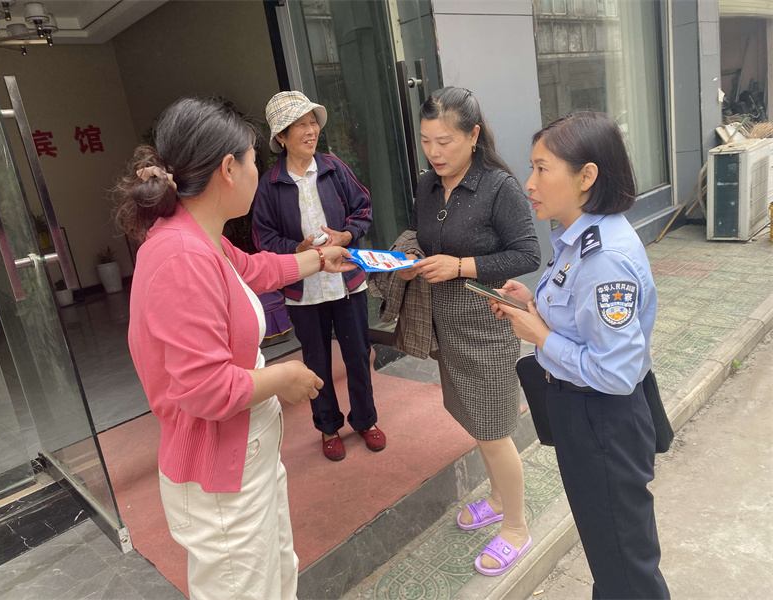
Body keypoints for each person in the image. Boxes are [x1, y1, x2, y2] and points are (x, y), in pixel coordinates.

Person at [116, 97, 355, 600]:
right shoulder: (181, 256)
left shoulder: (201, 237)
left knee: (276, 575)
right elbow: (205, 388)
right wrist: (285, 377)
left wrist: (319, 260)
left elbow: (253, 270)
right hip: (219, 475)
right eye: (252, 159)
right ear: (228, 169)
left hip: (246, 457)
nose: (257, 172)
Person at [489, 111, 670, 599]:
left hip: (603, 418)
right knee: (609, 553)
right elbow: (579, 317)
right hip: (581, 413)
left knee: (625, 567)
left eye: (542, 169)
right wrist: (533, 307)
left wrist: (540, 336)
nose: (529, 183)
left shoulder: (603, 256)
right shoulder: (576, 237)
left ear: (587, 176)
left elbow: (616, 372)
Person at [398, 87, 541, 576]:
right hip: (447, 324)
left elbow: (527, 254)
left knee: (494, 429)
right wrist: (410, 258)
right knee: (475, 420)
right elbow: (422, 236)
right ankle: (498, 500)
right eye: (426, 141)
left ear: (473, 135)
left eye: (445, 141)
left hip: (488, 322)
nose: (434, 153)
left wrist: (460, 265)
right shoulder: (427, 185)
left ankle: (517, 527)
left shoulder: (498, 187)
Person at [253, 91, 385, 461]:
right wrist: (297, 249)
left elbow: (363, 209)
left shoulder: (333, 168)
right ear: (281, 137)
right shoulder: (269, 185)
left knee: (358, 355)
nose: (311, 131)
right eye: (301, 125)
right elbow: (264, 238)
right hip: (303, 291)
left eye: (313, 123)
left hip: (346, 282)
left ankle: (366, 420)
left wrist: (347, 236)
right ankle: (328, 427)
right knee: (317, 363)